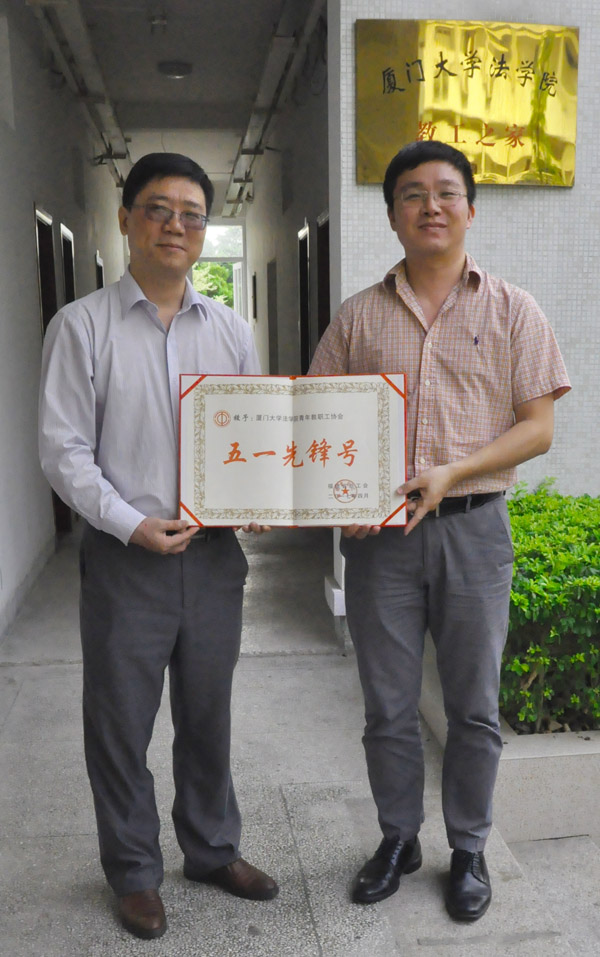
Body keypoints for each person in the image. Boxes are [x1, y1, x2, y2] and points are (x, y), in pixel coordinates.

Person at [309, 140, 570, 922]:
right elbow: (316, 421)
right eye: (413, 193)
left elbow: (538, 427)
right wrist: (331, 500)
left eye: (447, 191)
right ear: (392, 214)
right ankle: (398, 838)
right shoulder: (358, 317)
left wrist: (455, 471)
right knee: (387, 705)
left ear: (470, 209)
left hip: (474, 530)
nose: (431, 205)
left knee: (474, 706)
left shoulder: (513, 309)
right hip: (382, 539)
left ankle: (469, 847)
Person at [39, 153, 278, 940]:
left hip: (213, 558)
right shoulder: (82, 326)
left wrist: (262, 497)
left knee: (207, 715)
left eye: (192, 214)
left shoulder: (232, 330)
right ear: (126, 219)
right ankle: (135, 871)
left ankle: (211, 849)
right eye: (158, 209)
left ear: (205, 230)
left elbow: (254, 434)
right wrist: (128, 521)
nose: (176, 225)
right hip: (127, 557)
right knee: (120, 724)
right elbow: (63, 451)